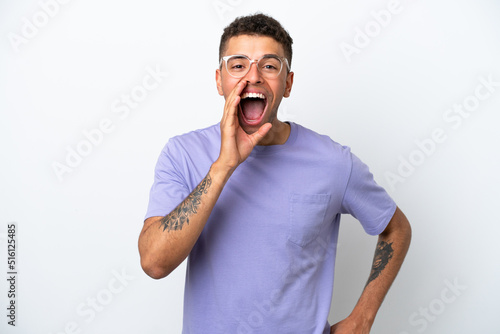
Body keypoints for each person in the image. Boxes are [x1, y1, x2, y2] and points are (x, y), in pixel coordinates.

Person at [138, 13, 412, 334]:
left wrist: (362, 317)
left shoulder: (333, 162)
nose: (252, 76)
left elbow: (396, 229)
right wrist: (224, 165)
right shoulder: (182, 153)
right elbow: (154, 263)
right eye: (238, 65)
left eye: (269, 66)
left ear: (288, 83)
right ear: (218, 79)